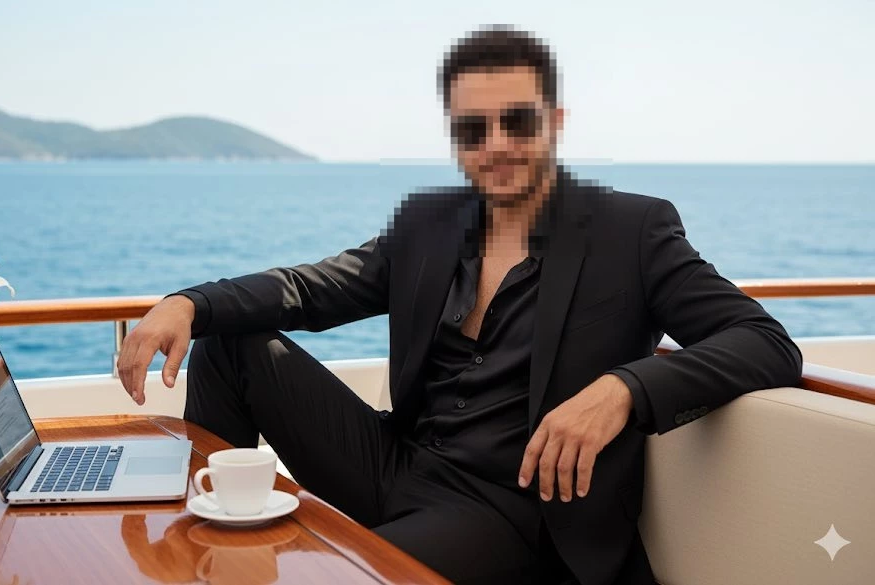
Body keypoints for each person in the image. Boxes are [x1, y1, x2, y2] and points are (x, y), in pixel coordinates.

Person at [117, 26, 802, 585]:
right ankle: (204, 543)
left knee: (339, 575)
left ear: (556, 122)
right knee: (232, 341)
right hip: (400, 464)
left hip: (514, 509)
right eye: (474, 128)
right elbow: (313, 287)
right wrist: (190, 302)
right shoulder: (429, 225)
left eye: (517, 121)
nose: (495, 144)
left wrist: (623, 389)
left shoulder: (633, 231)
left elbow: (765, 340)